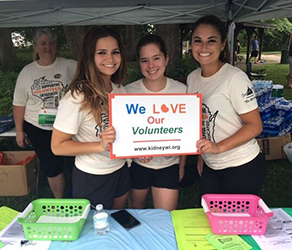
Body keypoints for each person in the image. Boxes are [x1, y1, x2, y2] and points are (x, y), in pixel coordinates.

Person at [187, 15, 266, 198]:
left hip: (242, 165)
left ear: (222, 45)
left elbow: (255, 126)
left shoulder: (234, 78)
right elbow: (200, 121)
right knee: (209, 218)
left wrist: (219, 147)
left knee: (234, 223)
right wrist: (202, 155)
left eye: (211, 41)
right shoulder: (192, 78)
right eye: (198, 41)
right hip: (212, 165)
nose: (204, 47)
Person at [51, 27, 130, 209]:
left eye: (115, 52)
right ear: (89, 56)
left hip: (120, 169)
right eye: (102, 53)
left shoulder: (119, 89)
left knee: (116, 222)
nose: (110, 59)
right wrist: (99, 145)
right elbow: (57, 146)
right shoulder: (76, 96)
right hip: (93, 175)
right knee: (96, 231)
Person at [13, 28, 77, 198]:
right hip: (38, 127)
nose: (47, 47)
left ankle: (79, 196)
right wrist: (19, 131)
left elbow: (89, 80)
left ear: (56, 46)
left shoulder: (69, 65)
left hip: (68, 126)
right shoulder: (27, 72)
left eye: (51, 43)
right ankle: (60, 201)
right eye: (43, 43)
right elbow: (19, 104)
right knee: (51, 166)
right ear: (35, 47)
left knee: (76, 163)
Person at [126, 34, 187, 211]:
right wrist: (133, 153)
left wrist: (181, 165)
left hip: (169, 165)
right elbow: (123, 132)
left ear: (166, 59)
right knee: (136, 214)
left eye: (156, 58)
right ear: (139, 63)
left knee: (166, 217)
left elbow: (185, 132)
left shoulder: (182, 91)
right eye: (145, 60)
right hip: (138, 166)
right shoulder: (128, 92)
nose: (151, 66)